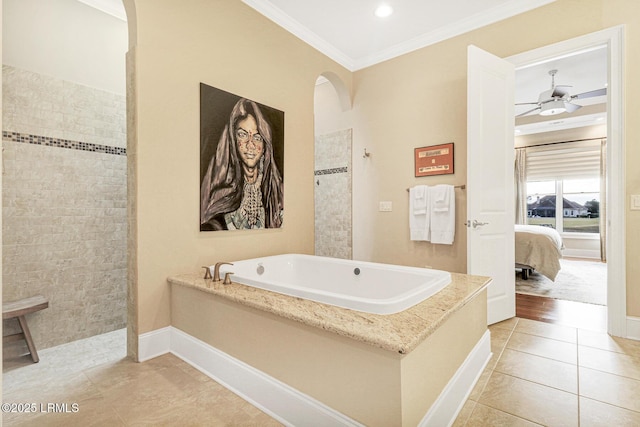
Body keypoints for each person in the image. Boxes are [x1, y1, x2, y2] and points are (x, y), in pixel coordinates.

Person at [200, 98, 284, 230]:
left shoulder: (276, 192)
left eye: (257, 137)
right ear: (233, 140)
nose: (250, 145)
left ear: (265, 146)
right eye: (243, 135)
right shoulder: (220, 195)